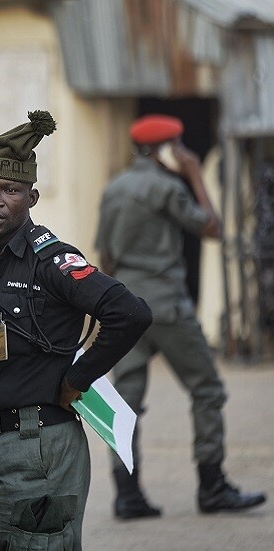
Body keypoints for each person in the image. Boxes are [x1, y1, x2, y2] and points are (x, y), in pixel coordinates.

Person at [0, 110, 152, 551]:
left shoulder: (51, 261)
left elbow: (130, 313)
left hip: (38, 443)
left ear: (32, 197)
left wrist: (77, 381)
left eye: (10, 190)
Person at [95, 113, 266, 519]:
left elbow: (106, 257)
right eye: (179, 146)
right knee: (206, 390)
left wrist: (108, 308)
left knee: (125, 401)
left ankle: (127, 495)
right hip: (167, 306)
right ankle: (213, 487)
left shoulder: (114, 188)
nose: (185, 153)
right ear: (166, 149)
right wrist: (194, 173)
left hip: (126, 308)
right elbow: (212, 227)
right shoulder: (167, 186)